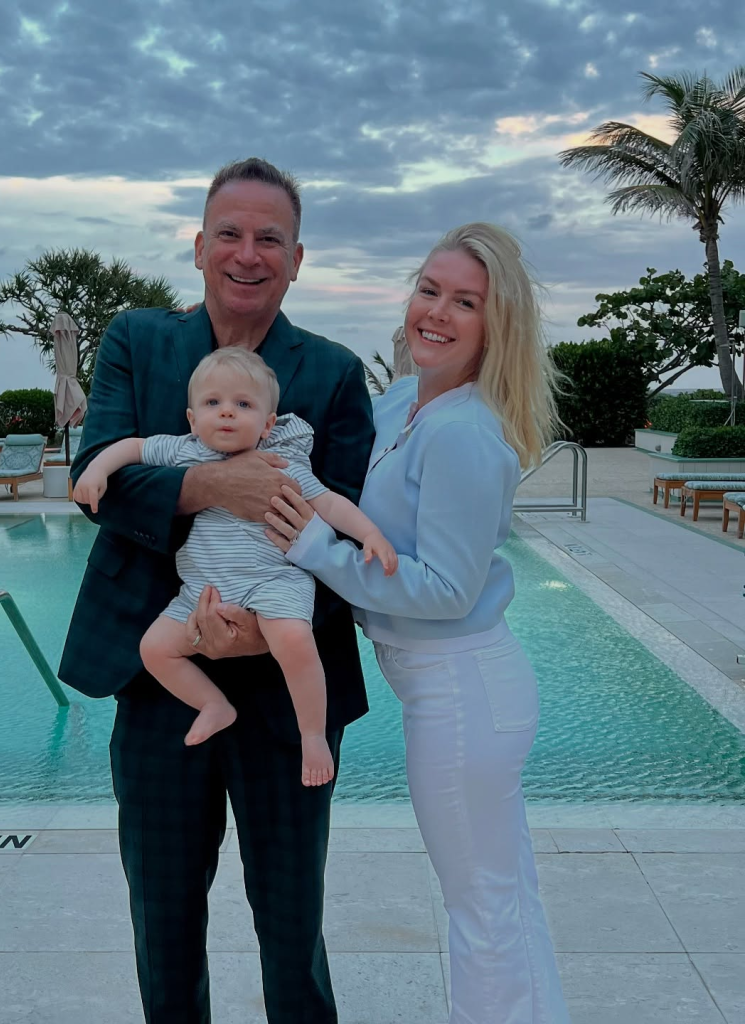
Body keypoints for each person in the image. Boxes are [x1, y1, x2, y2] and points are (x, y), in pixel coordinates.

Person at [59, 157, 375, 1022]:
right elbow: (97, 480)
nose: (247, 253)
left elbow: (348, 527)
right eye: (228, 234)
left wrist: (264, 628)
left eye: (269, 238)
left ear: (296, 260)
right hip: (159, 674)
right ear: (199, 247)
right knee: (163, 918)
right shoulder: (137, 341)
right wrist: (212, 486)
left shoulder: (334, 372)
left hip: (287, 686)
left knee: (291, 921)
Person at [266, 222, 572, 1023]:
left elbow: (444, 589)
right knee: (504, 896)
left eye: (465, 302)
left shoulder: (466, 432)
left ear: (496, 324)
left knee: (482, 911)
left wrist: (313, 550)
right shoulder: (405, 399)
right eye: (429, 290)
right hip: (450, 687)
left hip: (462, 692)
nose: (436, 312)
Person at [73, 345, 397, 786]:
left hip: (273, 581)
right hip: (202, 591)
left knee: (295, 641)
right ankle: (213, 704)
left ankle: (313, 736)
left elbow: (328, 502)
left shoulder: (281, 463)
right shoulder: (185, 450)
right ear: (192, 420)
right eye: (213, 403)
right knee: (154, 649)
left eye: (243, 404)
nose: (226, 412)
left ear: (267, 424)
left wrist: (370, 534)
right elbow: (132, 447)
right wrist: (97, 471)